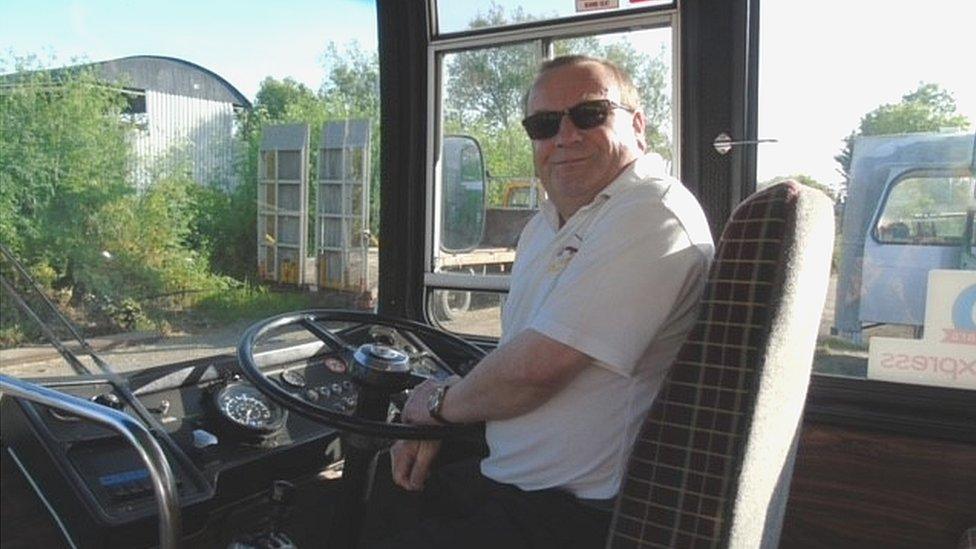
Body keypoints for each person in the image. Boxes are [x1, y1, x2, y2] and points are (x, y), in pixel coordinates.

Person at [377, 55, 714, 548]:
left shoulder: (651, 211)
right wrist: (438, 405)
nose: (565, 136)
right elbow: (519, 352)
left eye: (590, 114)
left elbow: (535, 371)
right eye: (544, 124)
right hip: (510, 478)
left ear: (637, 125)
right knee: (382, 488)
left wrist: (435, 408)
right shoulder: (546, 225)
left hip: (570, 513)